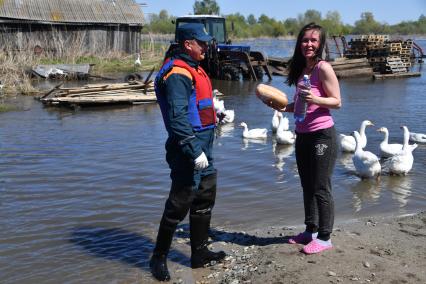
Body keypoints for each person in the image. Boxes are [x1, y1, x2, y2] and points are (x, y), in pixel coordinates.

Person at [150, 23, 226, 281]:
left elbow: (195, 105)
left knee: (205, 194)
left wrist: (213, 109)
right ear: (187, 44)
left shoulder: (193, 67)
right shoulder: (178, 73)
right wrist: (194, 151)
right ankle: (158, 257)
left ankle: (199, 254)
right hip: (188, 147)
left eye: (206, 42)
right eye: (201, 42)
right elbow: (177, 118)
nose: (206, 46)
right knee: (179, 202)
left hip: (204, 143)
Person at [268, 22, 341, 254]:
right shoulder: (302, 69)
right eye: (305, 40)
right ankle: (310, 230)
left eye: (313, 40)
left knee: (321, 187)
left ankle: (325, 237)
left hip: (322, 136)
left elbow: (337, 101)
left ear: (320, 44)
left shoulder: (323, 68)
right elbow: (300, 105)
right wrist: (280, 106)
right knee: (307, 185)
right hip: (302, 134)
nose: (309, 44)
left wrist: (316, 100)